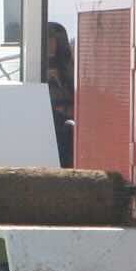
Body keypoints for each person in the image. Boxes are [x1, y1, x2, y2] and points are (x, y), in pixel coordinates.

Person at [42, 22, 76, 167]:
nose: (51, 44)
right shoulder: (37, 66)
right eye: (47, 39)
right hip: (50, 124)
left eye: (53, 39)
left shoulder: (68, 65)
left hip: (69, 122)